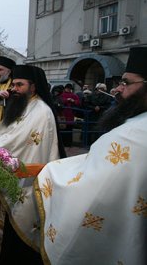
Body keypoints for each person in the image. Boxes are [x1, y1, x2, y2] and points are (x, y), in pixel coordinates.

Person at [35, 46, 147, 264]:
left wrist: (50, 172)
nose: (117, 90)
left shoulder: (135, 133)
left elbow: (100, 186)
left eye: (126, 83)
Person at [0, 65, 66, 264]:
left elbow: (15, 141)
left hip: (29, 183)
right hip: (18, 176)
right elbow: (2, 131)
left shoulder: (41, 111)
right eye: (13, 84)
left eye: (19, 84)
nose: (14, 89)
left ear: (33, 87)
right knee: (9, 226)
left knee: (22, 228)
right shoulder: (21, 105)